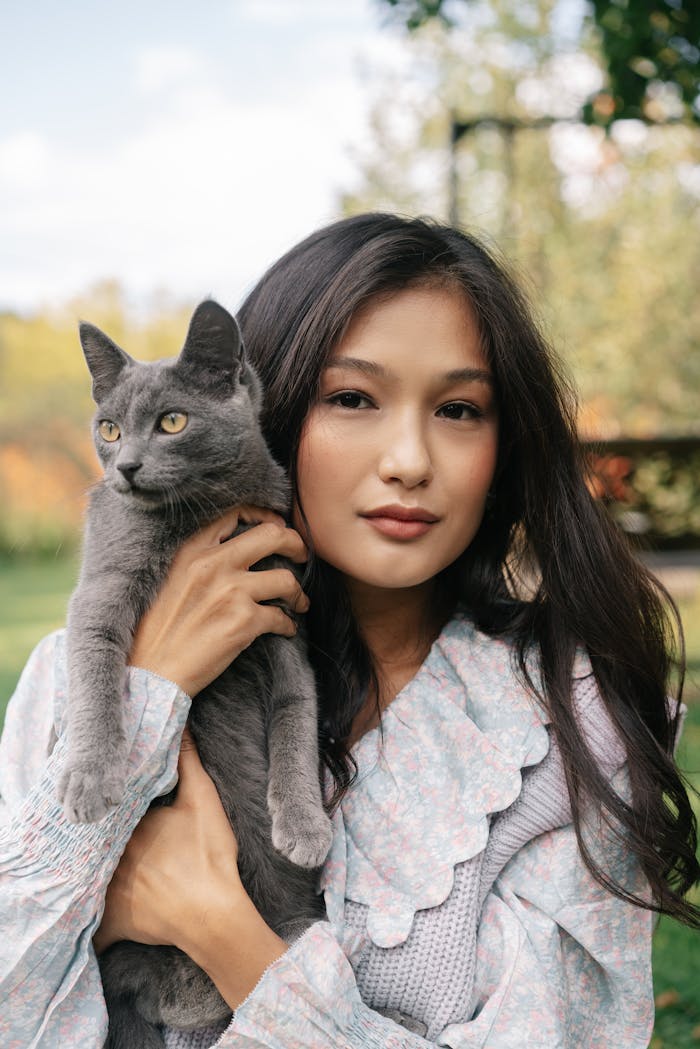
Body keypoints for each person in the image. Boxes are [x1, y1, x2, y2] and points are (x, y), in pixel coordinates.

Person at [1, 212, 698, 1049]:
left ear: (503, 443)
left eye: (459, 408)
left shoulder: (563, 729)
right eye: (353, 397)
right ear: (273, 404)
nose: (409, 458)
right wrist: (154, 688)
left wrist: (228, 935)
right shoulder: (74, 678)